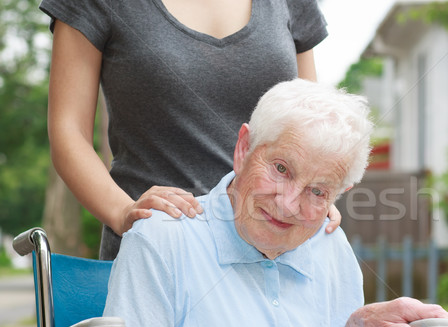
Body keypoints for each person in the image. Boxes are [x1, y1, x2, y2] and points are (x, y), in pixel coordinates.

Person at [92, 79, 448, 327]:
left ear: (340, 194)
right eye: (281, 169)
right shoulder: (164, 236)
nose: (289, 205)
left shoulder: (331, 248)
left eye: (317, 191)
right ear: (244, 148)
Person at [39, 0, 341, 260]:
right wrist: (123, 212)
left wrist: (315, 198)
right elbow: (69, 131)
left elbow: (308, 128)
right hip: (158, 248)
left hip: (273, 252)